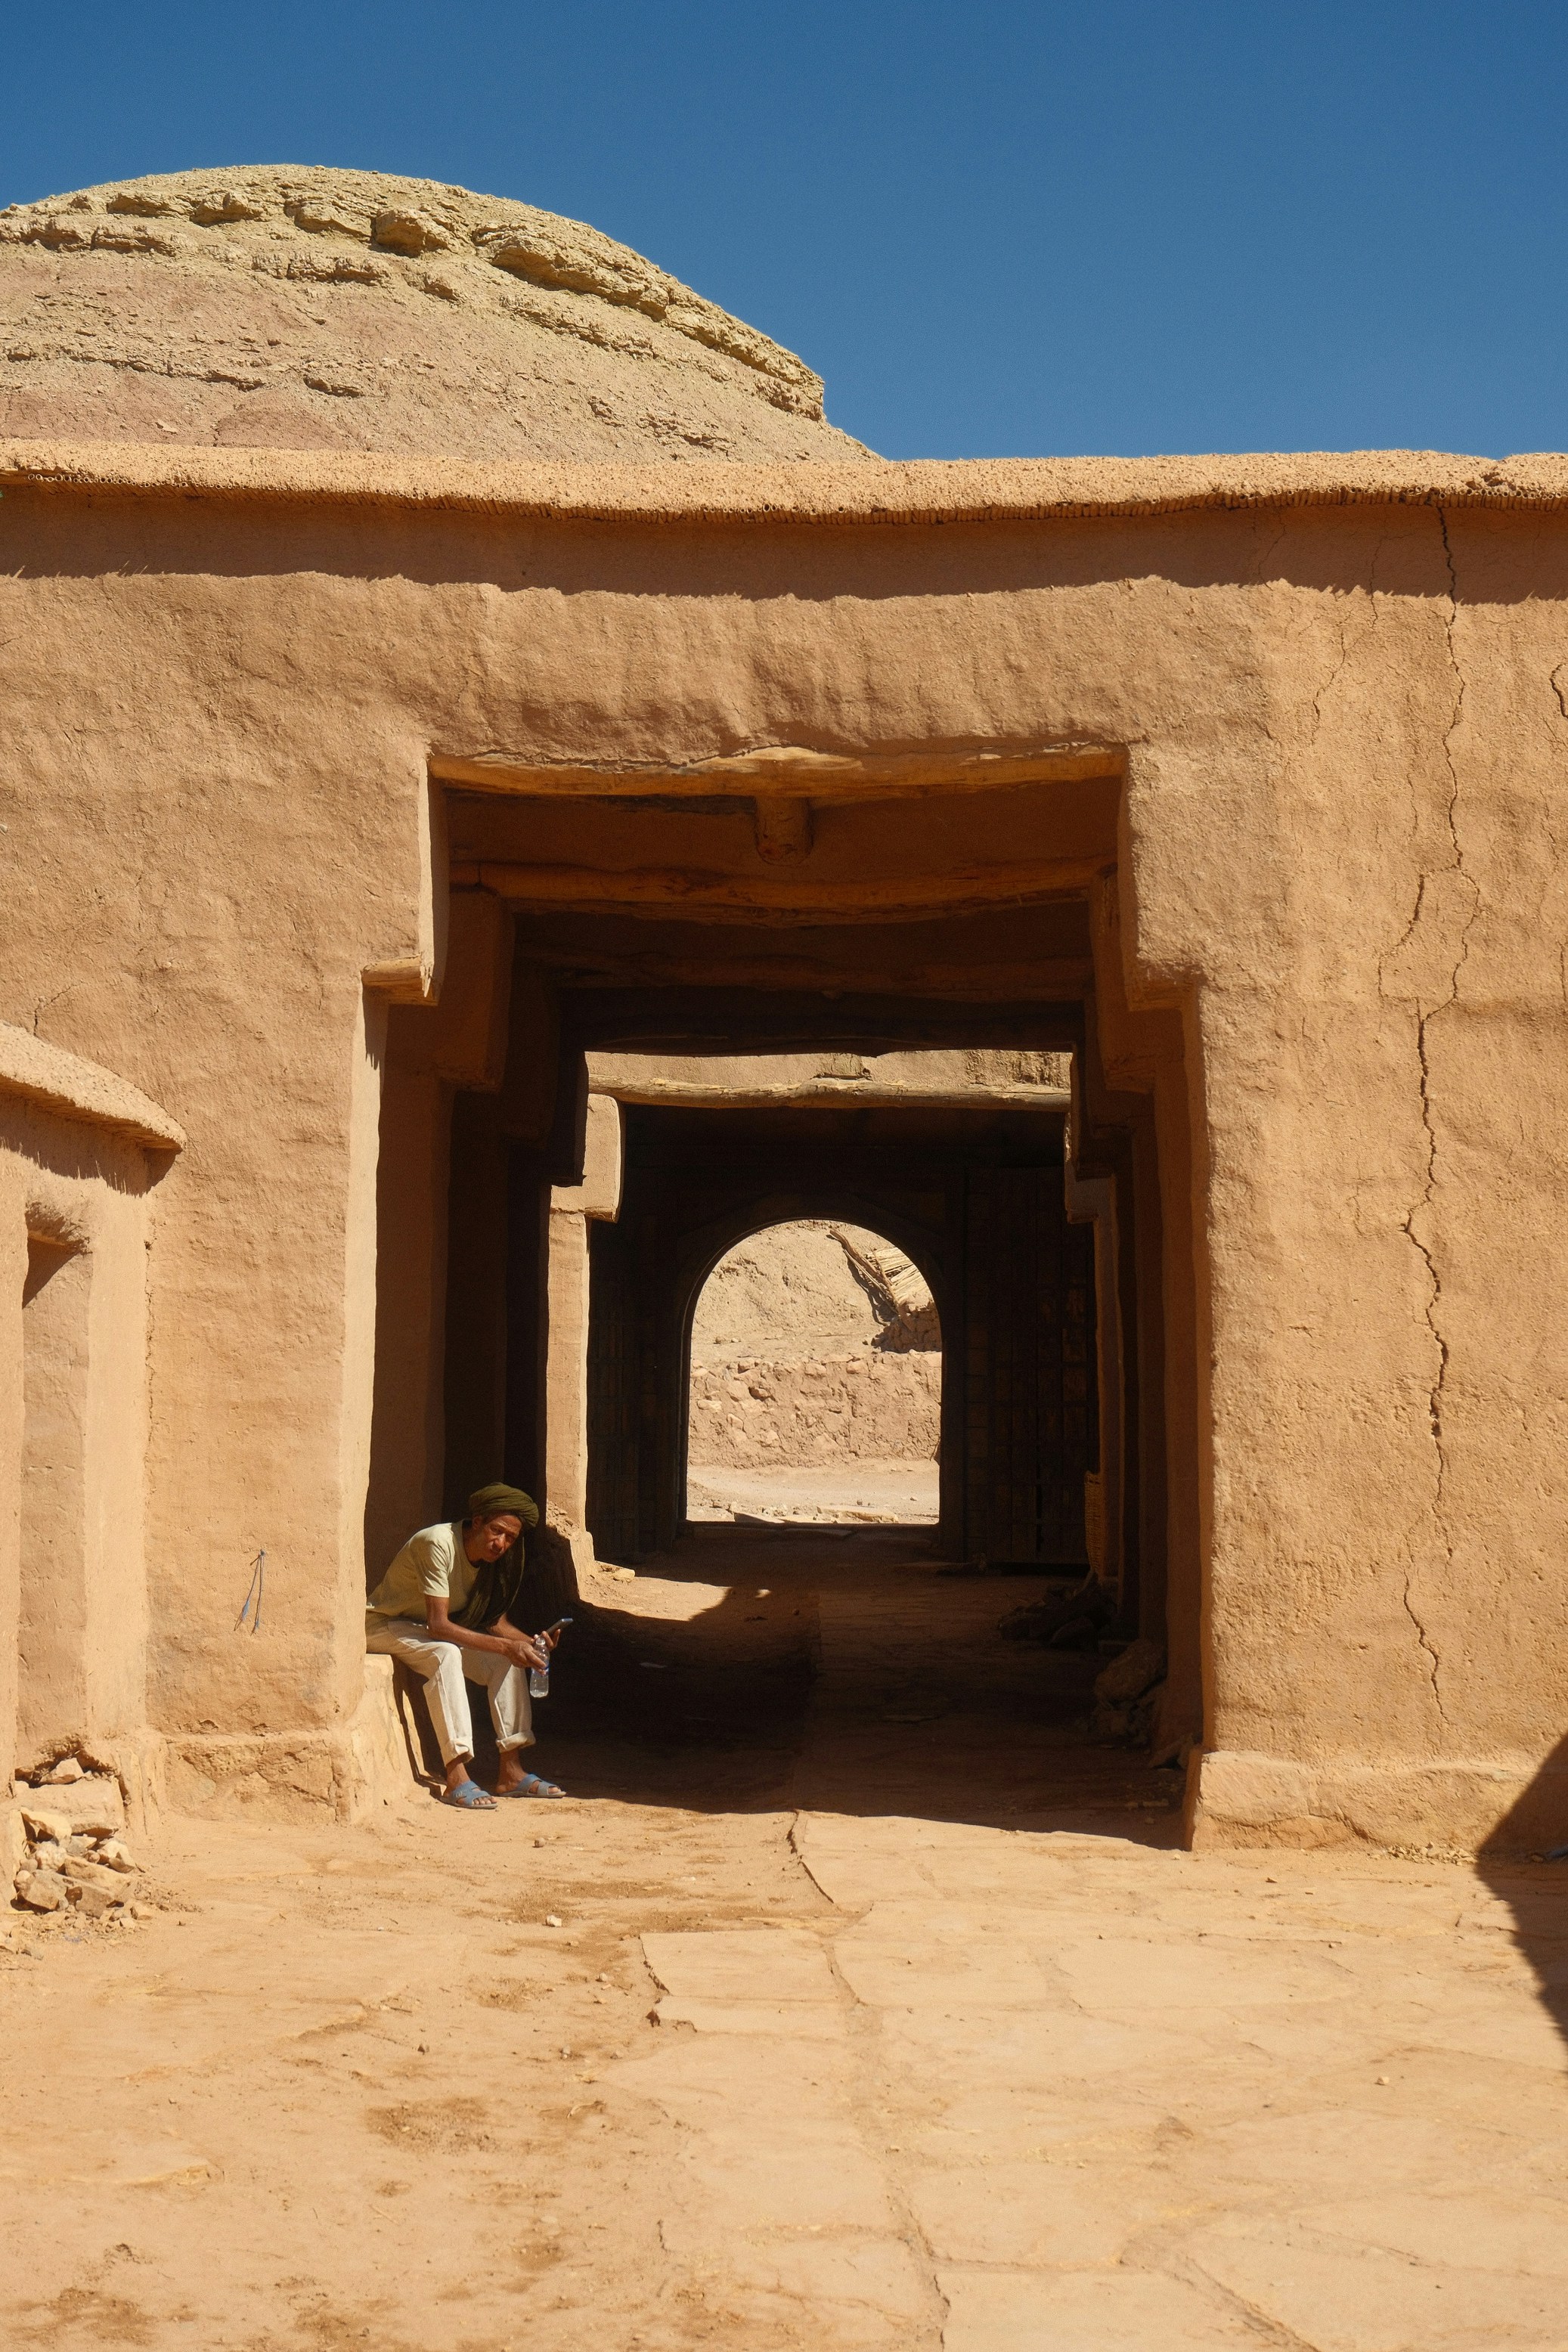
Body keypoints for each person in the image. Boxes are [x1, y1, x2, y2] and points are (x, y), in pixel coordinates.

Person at [366, 1483, 566, 1808]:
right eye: (496, 1531)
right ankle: (456, 1776)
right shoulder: (438, 1543)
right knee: (446, 1653)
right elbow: (439, 1625)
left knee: (506, 1661)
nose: (501, 1543)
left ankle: (511, 1773)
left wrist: (529, 1644)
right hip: (383, 1625)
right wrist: (505, 1647)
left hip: (420, 1630)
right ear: (477, 1522)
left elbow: (497, 1624)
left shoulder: (494, 1561)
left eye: (510, 1538)